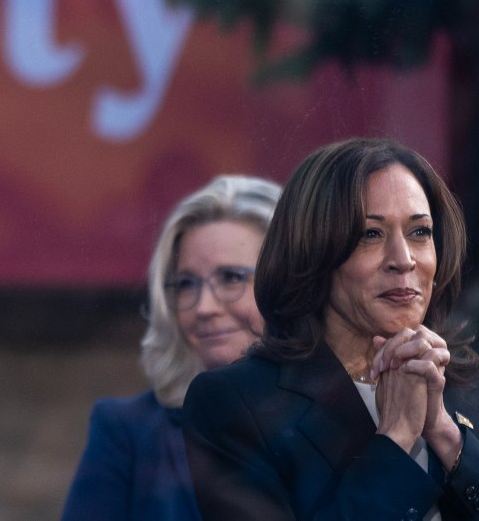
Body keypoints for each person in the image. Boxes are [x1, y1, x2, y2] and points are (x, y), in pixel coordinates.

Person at [183, 137, 479, 520]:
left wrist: (445, 436)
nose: (403, 260)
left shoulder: (466, 391)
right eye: (370, 234)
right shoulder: (233, 404)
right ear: (313, 251)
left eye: (419, 232)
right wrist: (396, 436)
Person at [61, 174, 282, 520]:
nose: (203, 307)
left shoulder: (342, 423)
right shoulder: (127, 432)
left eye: (231, 278)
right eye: (186, 284)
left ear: (292, 284)